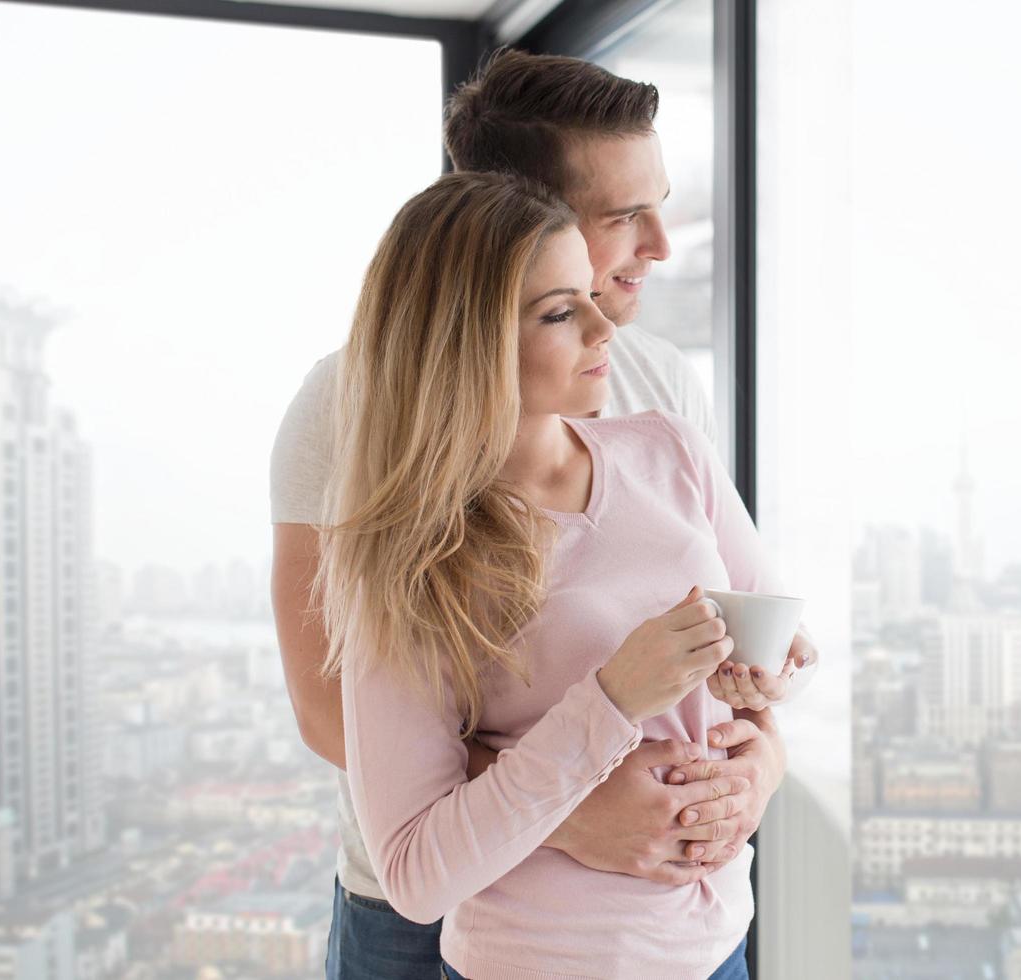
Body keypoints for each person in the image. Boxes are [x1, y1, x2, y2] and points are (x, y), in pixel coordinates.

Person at [268, 50, 816, 977]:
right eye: (622, 215)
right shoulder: (353, 405)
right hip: (433, 907)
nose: (660, 243)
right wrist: (576, 808)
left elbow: (730, 648)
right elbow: (336, 711)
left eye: (661, 203)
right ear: (515, 218)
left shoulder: (660, 395)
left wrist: (756, 769)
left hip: (677, 915)